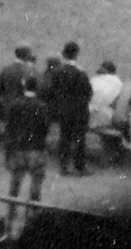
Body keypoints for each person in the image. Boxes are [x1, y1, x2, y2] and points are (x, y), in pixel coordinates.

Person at [44, 41, 92, 176]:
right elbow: (88, 92)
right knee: (79, 139)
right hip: (78, 110)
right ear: (76, 54)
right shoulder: (80, 73)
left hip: (63, 109)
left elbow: (51, 91)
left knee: (64, 137)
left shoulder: (57, 72)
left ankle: (64, 166)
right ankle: (79, 166)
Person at [5, 75, 50, 206]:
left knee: (15, 181)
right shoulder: (41, 106)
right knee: (36, 182)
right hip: (36, 148)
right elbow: (45, 127)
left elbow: (9, 127)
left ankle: (11, 209)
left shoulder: (15, 104)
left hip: (18, 147)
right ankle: (33, 212)